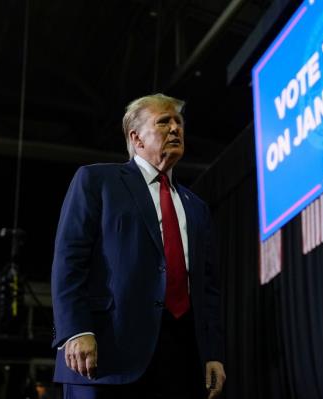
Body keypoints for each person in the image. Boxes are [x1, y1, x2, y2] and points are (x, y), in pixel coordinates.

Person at [51, 93, 225, 398]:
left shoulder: (196, 207)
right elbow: (69, 259)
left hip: (179, 357)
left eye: (178, 122)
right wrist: (75, 330)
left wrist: (213, 352)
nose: (175, 129)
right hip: (106, 354)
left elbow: (207, 287)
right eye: (164, 122)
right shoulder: (96, 180)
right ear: (136, 138)